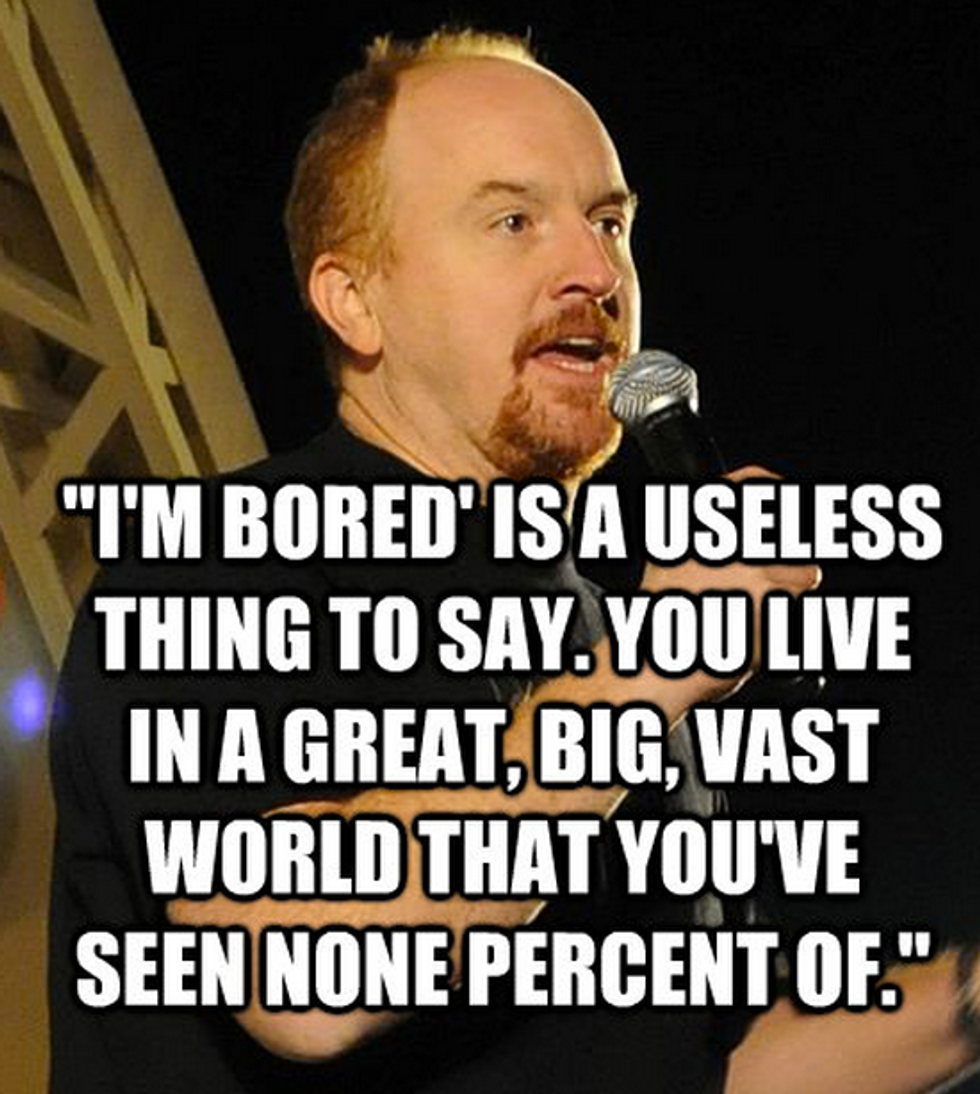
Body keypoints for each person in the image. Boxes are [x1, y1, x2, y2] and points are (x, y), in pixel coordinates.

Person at [48, 27, 980, 1094]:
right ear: (355, 299)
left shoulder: (604, 643)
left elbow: (701, 1065)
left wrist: (966, 1001)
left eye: (609, 223)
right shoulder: (209, 571)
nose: (596, 273)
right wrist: (653, 674)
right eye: (512, 220)